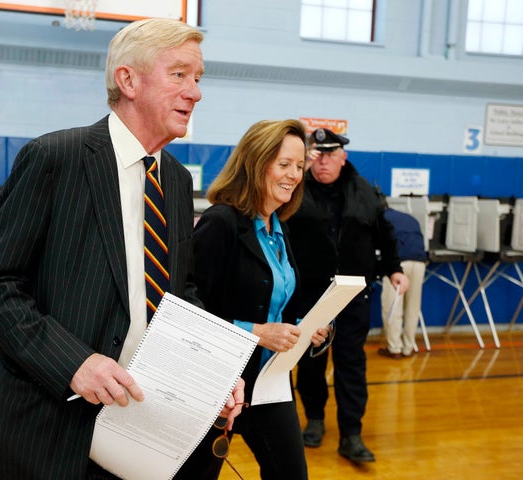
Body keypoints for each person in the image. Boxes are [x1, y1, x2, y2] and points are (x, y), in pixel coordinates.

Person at [0, 18, 244, 480]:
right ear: (127, 80)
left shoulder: (176, 179)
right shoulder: (56, 158)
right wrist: (73, 362)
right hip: (53, 427)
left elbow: (180, 289)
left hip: (141, 427)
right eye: (179, 74)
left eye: (198, 78)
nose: (195, 92)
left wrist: (209, 369)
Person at [177, 119, 330, 480]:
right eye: (284, 164)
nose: (294, 175)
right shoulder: (222, 223)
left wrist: (305, 330)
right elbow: (186, 312)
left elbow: (276, 308)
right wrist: (256, 333)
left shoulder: (279, 230)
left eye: (298, 165)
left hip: (270, 382)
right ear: (256, 163)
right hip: (219, 384)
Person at [286, 128, 409, 463]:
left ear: (343, 157)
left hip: (354, 293)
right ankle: (313, 420)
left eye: (330, 155)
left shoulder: (365, 192)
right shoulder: (295, 190)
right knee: (311, 361)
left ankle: (351, 434)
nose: (323, 161)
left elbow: (386, 235)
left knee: (351, 363)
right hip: (311, 292)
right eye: (317, 155)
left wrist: (395, 268)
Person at [379, 202, 427, 359]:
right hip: (420, 262)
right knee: (413, 306)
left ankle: (394, 348)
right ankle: (408, 347)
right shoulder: (409, 217)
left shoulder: (380, 218)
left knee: (393, 306)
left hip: (399, 264)